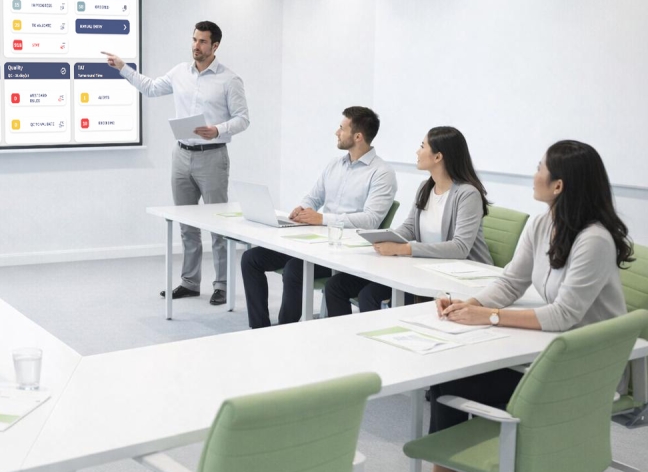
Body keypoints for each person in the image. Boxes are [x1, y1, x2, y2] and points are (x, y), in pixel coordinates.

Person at [418, 140, 632, 472]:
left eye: (539, 168)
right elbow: (511, 282)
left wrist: (491, 317)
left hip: (588, 368)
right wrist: (471, 304)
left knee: (453, 380)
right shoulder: (542, 223)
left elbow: (564, 314)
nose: (533, 176)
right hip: (553, 353)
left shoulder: (595, 240)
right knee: (452, 373)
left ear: (559, 185)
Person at [103, 21, 249, 306]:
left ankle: (222, 285)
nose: (196, 46)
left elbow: (243, 119)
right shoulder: (180, 72)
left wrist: (217, 129)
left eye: (203, 41)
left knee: (218, 224)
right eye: (194, 40)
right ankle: (190, 282)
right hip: (181, 156)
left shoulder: (230, 80)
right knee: (186, 223)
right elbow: (151, 88)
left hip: (213, 156)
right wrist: (123, 68)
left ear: (215, 45)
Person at [240, 107, 397, 328]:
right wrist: (302, 208)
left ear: (358, 137)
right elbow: (314, 197)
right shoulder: (335, 164)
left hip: (342, 250)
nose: (336, 132)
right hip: (313, 240)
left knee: (295, 268)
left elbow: (371, 220)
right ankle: (259, 328)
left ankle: (285, 328)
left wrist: (322, 219)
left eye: (342, 128)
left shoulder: (382, 173)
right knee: (251, 259)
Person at [325, 126, 492, 316]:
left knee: (369, 296)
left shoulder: (467, 194)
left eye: (422, 146)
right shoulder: (425, 187)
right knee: (335, 286)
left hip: (460, 276)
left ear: (438, 157)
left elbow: (460, 248)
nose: (417, 152)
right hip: (424, 268)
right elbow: (410, 227)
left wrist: (404, 249)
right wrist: (384, 238)